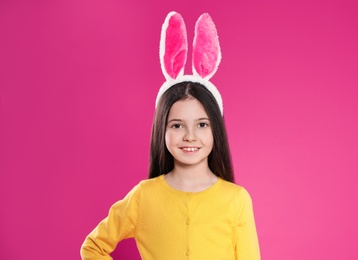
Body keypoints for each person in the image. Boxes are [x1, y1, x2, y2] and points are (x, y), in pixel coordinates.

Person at [81, 11, 260, 260]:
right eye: (177, 125)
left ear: (216, 130)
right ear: (161, 130)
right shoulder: (144, 197)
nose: (189, 136)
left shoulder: (236, 200)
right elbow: (92, 247)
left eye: (202, 125)